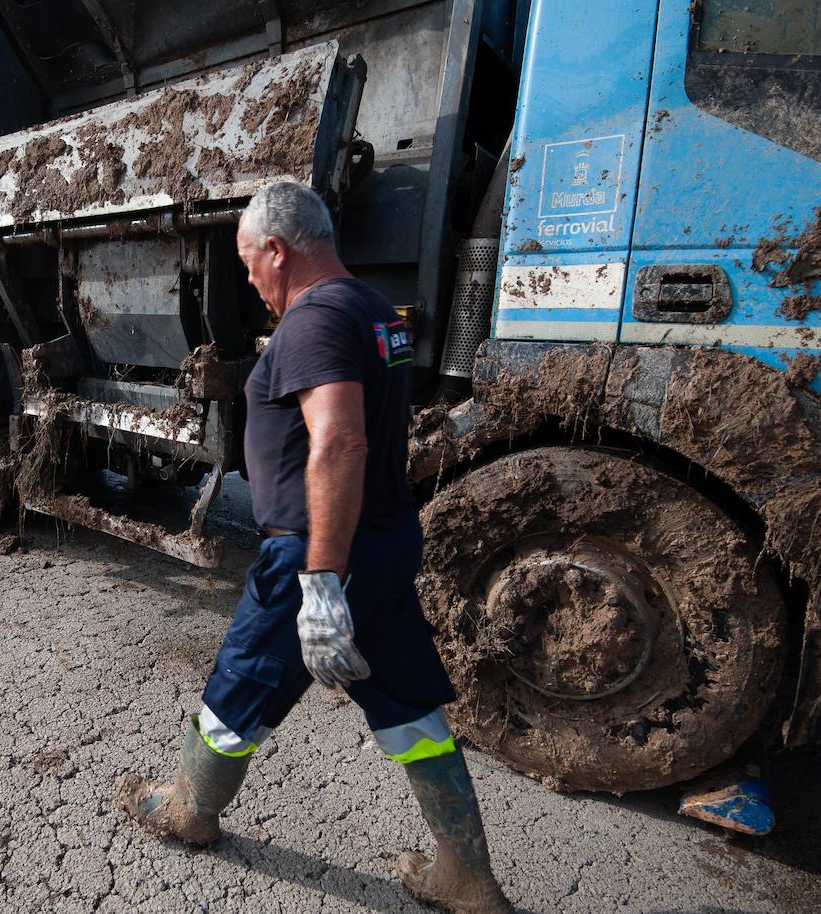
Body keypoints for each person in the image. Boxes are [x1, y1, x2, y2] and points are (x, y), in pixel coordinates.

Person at [119, 181, 512, 914]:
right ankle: (467, 874)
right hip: (384, 543)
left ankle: (189, 811)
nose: (249, 281)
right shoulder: (373, 309)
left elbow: (339, 442)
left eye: (248, 263)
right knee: (407, 702)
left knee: (241, 683)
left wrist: (322, 582)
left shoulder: (314, 318)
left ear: (277, 249)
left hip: (318, 555)